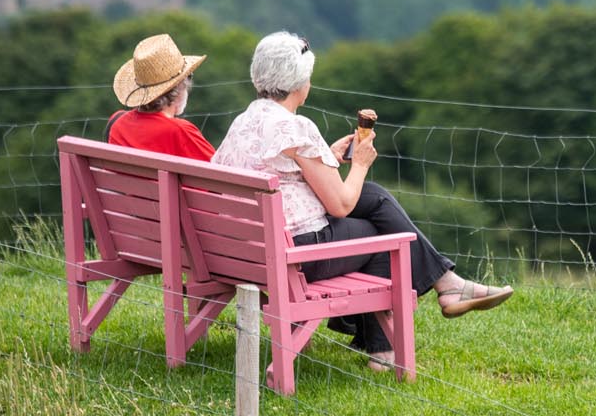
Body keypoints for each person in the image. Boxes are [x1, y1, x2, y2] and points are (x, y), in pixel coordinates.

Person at [212, 31, 512, 371]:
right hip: (292, 257)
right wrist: (361, 164)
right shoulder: (296, 127)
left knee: (374, 199)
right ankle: (397, 336)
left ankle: (440, 294)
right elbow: (340, 205)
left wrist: (326, 156)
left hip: (243, 252)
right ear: (301, 82)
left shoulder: (244, 122)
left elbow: (281, 171)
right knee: (382, 235)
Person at [107, 33, 216, 161]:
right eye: (188, 77)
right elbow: (221, 172)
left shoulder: (118, 124)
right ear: (179, 88)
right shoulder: (179, 131)